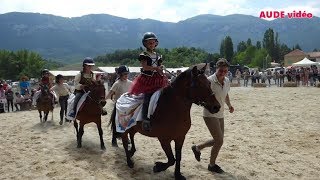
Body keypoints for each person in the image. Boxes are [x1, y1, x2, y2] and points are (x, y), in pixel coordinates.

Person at [191, 58, 234, 174]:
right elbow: (202, 96)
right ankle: (212, 165)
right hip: (209, 114)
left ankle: (198, 147)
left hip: (221, 114)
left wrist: (229, 105)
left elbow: (226, 94)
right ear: (216, 69)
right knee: (219, 141)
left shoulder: (227, 80)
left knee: (218, 140)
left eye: (225, 71)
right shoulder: (209, 81)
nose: (223, 73)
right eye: (221, 70)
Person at [129, 32, 168, 131]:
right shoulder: (144, 55)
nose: (151, 44)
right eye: (149, 43)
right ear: (145, 44)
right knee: (148, 97)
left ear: (156, 43)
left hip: (159, 78)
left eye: (153, 42)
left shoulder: (159, 55)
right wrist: (157, 68)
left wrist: (161, 68)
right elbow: (145, 67)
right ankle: (145, 119)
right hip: (148, 79)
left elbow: (159, 67)